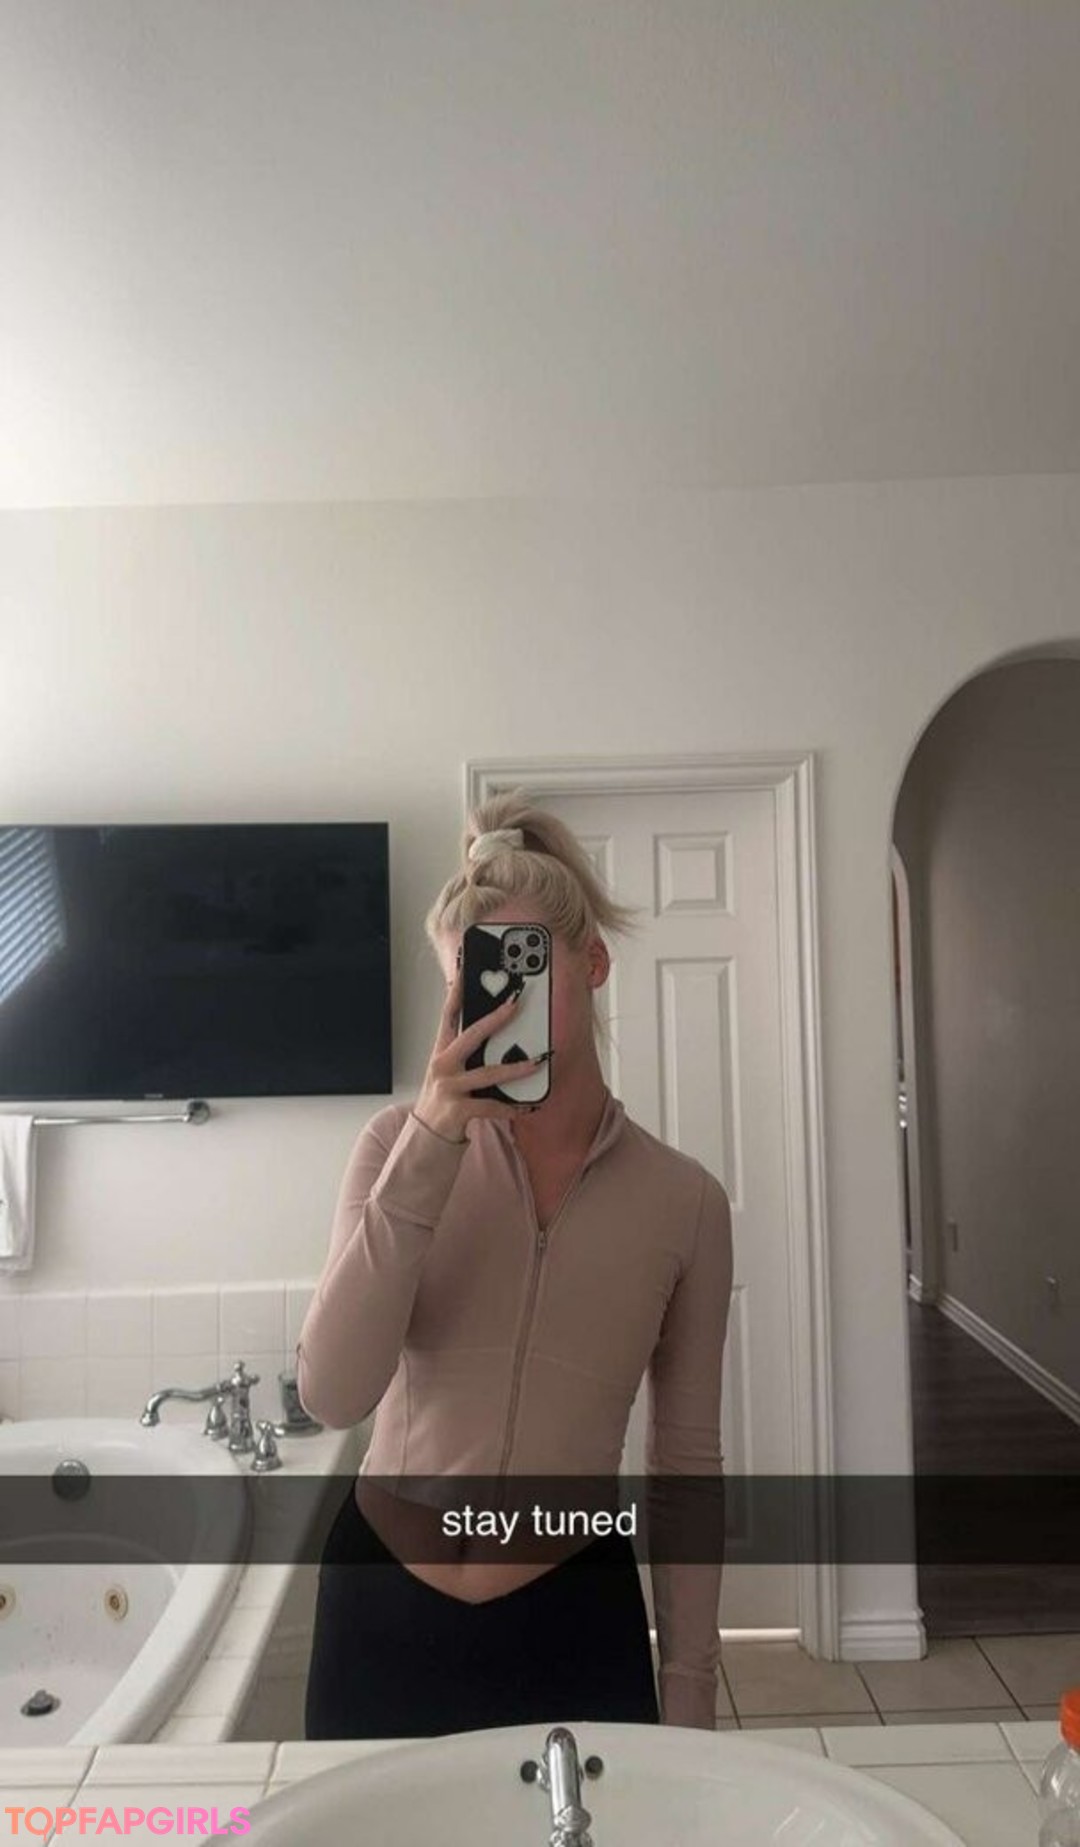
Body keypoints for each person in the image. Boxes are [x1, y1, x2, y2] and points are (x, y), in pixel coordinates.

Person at [298, 789, 734, 1738]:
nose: (499, 1000)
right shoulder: (394, 1147)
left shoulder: (686, 1201)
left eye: (521, 962)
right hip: (382, 1608)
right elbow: (331, 1393)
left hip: (573, 1617)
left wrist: (691, 1689)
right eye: (473, 976)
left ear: (594, 961)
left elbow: (686, 1470)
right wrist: (431, 1140)